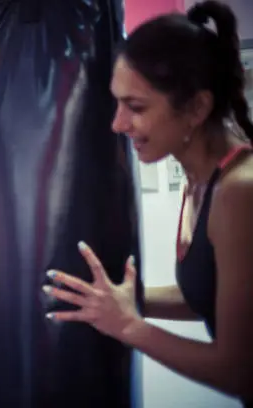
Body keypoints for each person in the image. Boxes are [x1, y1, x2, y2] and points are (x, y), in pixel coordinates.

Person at [42, 1, 253, 406]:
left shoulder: (239, 193)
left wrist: (128, 325)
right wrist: (123, 299)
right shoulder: (200, 183)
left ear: (196, 108)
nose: (118, 124)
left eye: (136, 107)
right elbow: (208, 295)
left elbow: (239, 369)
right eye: (117, 103)